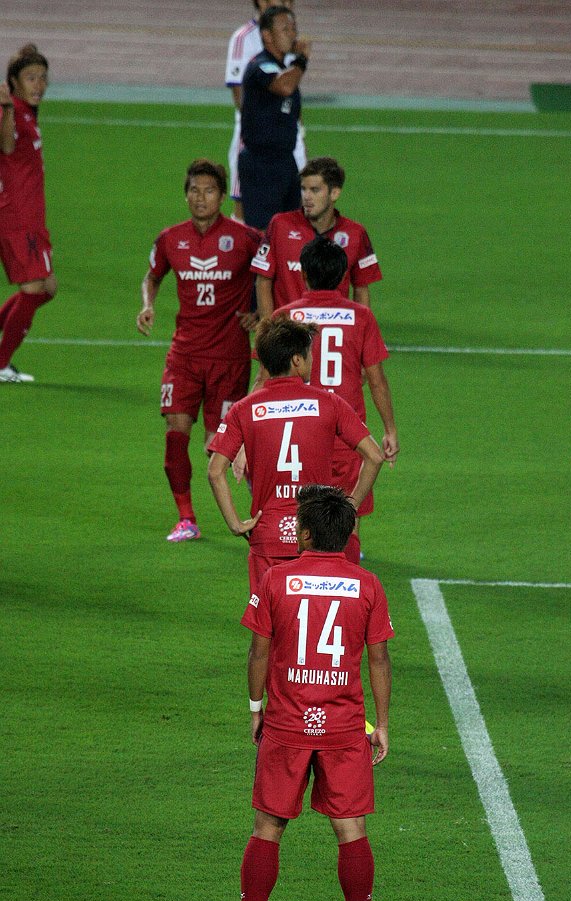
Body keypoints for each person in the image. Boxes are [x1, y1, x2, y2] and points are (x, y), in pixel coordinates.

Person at [227, 483, 393, 901]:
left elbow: (259, 651)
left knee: (267, 826)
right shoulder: (367, 584)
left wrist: (255, 708)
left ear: (302, 533)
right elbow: (378, 659)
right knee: (351, 830)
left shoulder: (275, 580)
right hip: (344, 727)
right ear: (348, 534)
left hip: (286, 724)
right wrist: (381, 724)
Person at [207, 316, 384, 591]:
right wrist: (350, 506)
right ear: (297, 361)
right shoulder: (330, 403)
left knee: (267, 617)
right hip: (317, 535)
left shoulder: (243, 409)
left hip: (268, 537)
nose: (312, 361)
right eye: (310, 354)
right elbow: (375, 456)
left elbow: (215, 471)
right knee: (313, 615)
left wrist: (235, 523)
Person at [136, 159, 261, 542]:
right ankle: (186, 519)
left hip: (229, 358)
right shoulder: (170, 239)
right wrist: (147, 305)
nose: (200, 198)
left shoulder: (246, 238)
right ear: (186, 195)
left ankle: (264, 513)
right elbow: (152, 276)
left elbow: (271, 275)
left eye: (209, 191)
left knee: (219, 447)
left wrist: (259, 311)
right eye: (194, 190)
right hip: (185, 356)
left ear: (222, 197)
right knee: (175, 432)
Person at [257, 235, 399, 563]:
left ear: (303, 274)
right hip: (348, 438)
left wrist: (242, 444)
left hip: (299, 437)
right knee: (348, 524)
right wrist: (390, 429)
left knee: (299, 520)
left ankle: (299, 584)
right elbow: (376, 380)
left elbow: (264, 379)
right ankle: (344, 580)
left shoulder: (285, 316)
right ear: (343, 276)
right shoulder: (361, 316)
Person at [252, 156, 382, 319]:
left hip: (332, 328)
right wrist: (269, 329)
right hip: (290, 331)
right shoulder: (280, 225)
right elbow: (263, 281)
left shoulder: (355, 233)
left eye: (314, 190)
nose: (306, 197)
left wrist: (361, 327)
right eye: (303, 189)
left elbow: (361, 288)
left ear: (334, 193)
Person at [0, 44, 57, 384]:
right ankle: (1, 364)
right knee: (35, 288)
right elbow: (6, 146)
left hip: (32, 216)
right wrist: (6, 107)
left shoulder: (26, 112)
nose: (39, 84)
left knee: (47, 287)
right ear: (14, 82)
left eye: (42, 77)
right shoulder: (10, 110)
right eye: (31, 77)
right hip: (17, 217)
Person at [224, 0, 306, 224]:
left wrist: (298, 134)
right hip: (260, 154)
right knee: (254, 223)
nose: (292, 34)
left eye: (293, 28)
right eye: (286, 29)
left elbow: (292, 101)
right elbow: (281, 87)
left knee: (293, 223)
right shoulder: (255, 55)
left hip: (285, 153)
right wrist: (256, 124)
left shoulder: (286, 57)